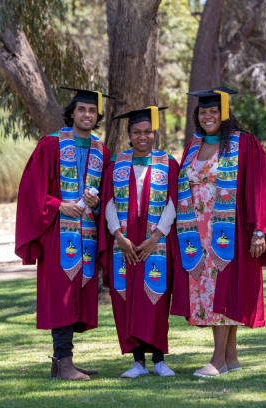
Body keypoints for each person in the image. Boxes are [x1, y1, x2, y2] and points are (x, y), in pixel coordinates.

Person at [172, 87, 266, 377]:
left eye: (213, 111)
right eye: (203, 112)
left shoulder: (244, 144)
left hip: (228, 230)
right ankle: (231, 357)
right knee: (209, 292)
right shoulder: (193, 146)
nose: (208, 116)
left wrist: (259, 230)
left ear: (225, 113)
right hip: (195, 232)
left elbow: (258, 187)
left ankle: (216, 360)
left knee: (223, 290)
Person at [15, 87, 112, 380]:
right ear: (72, 112)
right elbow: (31, 191)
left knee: (76, 297)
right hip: (58, 233)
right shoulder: (50, 145)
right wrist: (59, 205)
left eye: (92, 111)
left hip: (88, 234)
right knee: (62, 295)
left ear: (97, 116)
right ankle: (65, 364)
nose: (86, 115)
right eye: (81, 110)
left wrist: (95, 202)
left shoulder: (101, 150)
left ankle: (62, 362)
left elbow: (107, 194)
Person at [97, 106, 185, 378]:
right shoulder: (117, 164)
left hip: (155, 241)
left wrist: (156, 236)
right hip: (124, 242)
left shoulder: (167, 162)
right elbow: (108, 201)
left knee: (155, 298)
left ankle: (159, 359)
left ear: (154, 133)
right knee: (127, 299)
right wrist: (118, 236)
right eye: (137, 132)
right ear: (129, 134)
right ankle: (138, 362)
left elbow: (174, 201)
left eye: (147, 131)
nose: (143, 136)